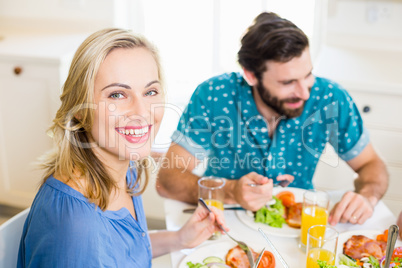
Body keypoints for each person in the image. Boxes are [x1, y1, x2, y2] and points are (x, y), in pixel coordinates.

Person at [17, 28, 226, 267]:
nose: (141, 111)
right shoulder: (76, 226)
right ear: (80, 110)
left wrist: (180, 238)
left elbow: (119, 250)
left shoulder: (124, 167)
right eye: (117, 94)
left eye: (150, 91)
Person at [156, 12, 389, 226]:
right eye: (288, 83)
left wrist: (367, 196)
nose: (305, 93)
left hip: (298, 225)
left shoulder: (330, 98)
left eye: (307, 75)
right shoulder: (214, 95)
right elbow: (169, 179)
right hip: (223, 221)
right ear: (250, 75)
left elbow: (372, 165)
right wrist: (232, 191)